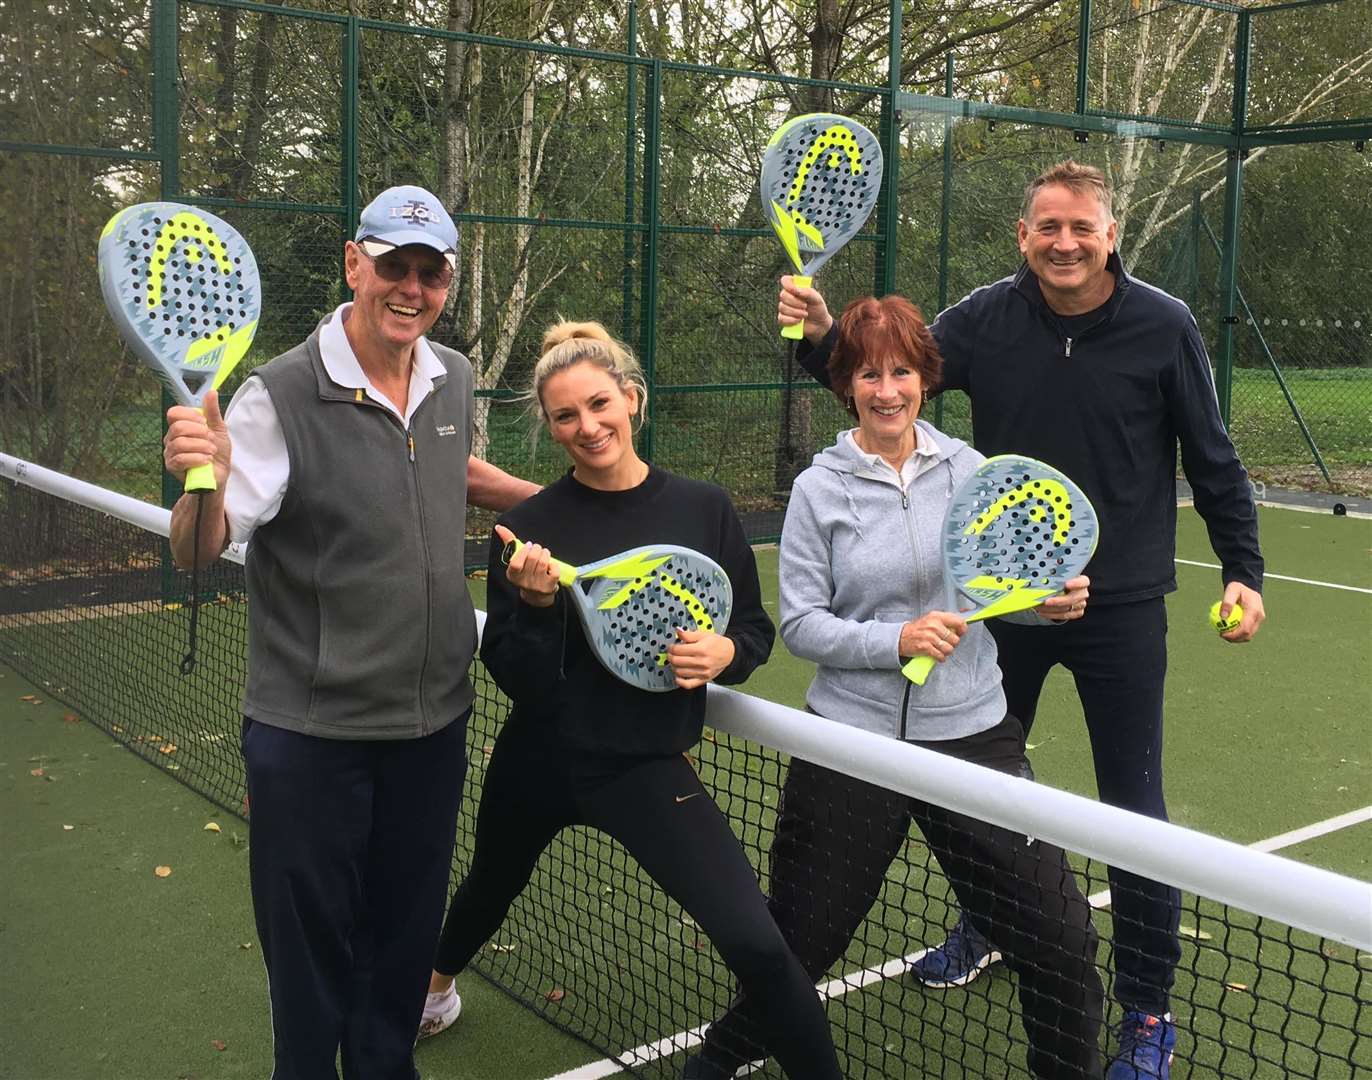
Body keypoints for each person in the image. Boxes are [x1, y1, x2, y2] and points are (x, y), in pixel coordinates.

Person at [780, 160, 1266, 1080]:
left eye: (1082, 226)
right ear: (1023, 236)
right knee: (985, 795)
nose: (1066, 242)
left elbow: (1212, 455)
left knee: (1135, 813)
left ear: (1110, 233)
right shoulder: (983, 318)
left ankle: (1147, 1010)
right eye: (1048, 227)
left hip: (1119, 611)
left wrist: (1244, 568)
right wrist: (817, 336)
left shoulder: (1165, 326)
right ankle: (992, 925)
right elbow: (888, 383)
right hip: (1001, 605)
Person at [162, 184, 537, 1080]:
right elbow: (198, 550)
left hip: (433, 728)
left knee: (402, 946)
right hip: (311, 739)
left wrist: (577, 499)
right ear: (353, 263)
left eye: (429, 273)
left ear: (446, 281)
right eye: (393, 267)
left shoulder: (448, 375)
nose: (410, 289)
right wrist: (202, 479)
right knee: (310, 960)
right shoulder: (277, 396)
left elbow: (452, 464)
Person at [687, 295, 1104, 1080]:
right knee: (802, 941)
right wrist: (896, 641)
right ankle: (722, 1057)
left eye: (902, 371)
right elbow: (803, 625)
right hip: (853, 742)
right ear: (845, 383)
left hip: (975, 735)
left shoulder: (971, 471)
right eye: (868, 373)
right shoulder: (819, 490)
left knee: (1060, 937)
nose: (887, 390)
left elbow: (1006, 593)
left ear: (925, 378)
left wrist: (1047, 606)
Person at [420, 320, 842, 1080]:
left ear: (632, 400)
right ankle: (434, 992)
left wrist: (726, 653)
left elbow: (750, 629)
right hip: (537, 761)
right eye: (565, 416)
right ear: (550, 429)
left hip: (645, 768)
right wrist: (539, 608)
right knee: (488, 888)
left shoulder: (705, 509)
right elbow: (513, 672)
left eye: (599, 404)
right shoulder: (524, 529)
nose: (588, 426)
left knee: (755, 945)